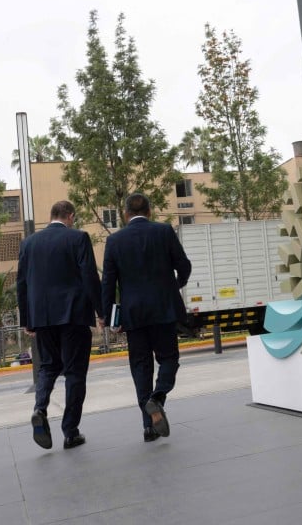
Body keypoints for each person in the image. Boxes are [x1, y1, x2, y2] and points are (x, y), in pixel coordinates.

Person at [101, 192, 191, 443]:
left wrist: (110, 317)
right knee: (169, 359)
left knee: (141, 368)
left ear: (125, 213)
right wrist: (176, 284)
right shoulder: (164, 232)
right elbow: (184, 265)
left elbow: (107, 283)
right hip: (164, 310)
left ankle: (149, 427)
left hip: (133, 315)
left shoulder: (115, 241)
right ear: (149, 211)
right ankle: (158, 397)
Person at [17, 200, 102, 450]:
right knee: (75, 373)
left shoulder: (29, 243)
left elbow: (22, 284)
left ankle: (40, 408)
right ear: (70, 216)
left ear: (51, 215)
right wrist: (102, 311)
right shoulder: (78, 238)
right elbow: (89, 276)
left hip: (42, 318)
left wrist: (27, 319)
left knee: (48, 366)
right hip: (73, 316)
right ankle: (70, 431)